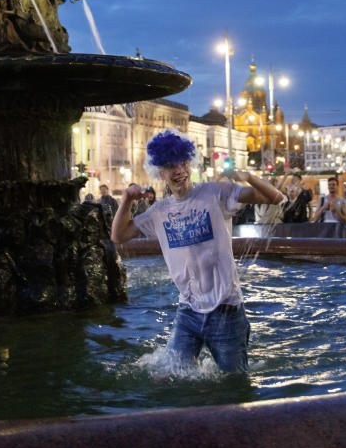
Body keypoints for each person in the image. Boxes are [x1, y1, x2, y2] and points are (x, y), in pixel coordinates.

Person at [111, 129, 283, 373]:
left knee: (233, 384)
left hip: (227, 311)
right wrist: (127, 199)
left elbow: (275, 197)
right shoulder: (159, 211)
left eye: (182, 162)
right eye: (170, 165)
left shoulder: (215, 193)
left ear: (189, 163)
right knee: (167, 377)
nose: (178, 170)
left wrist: (247, 176)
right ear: (161, 171)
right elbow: (118, 236)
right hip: (188, 312)